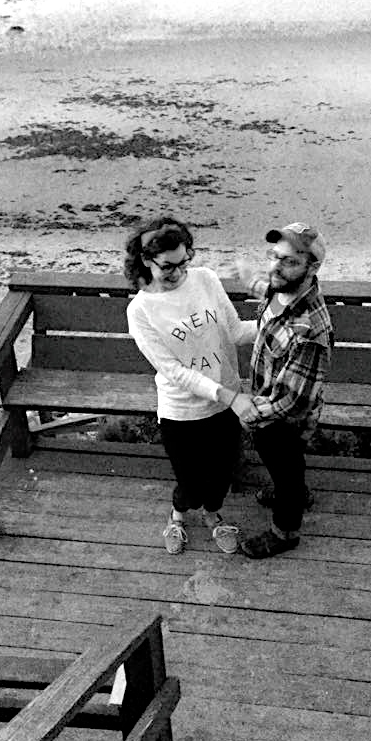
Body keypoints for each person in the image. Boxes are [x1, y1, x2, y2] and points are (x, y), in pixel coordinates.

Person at [124, 215, 256, 555]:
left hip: (225, 404)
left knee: (222, 476)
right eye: (168, 266)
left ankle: (213, 516)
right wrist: (229, 396)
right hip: (181, 412)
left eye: (184, 262)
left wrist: (280, 323)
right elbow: (174, 372)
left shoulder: (205, 279)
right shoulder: (140, 310)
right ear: (145, 260)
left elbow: (236, 331)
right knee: (190, 483)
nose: (179, 272)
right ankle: (177, 515)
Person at [234, 222, 334, 559]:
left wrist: (250, 412)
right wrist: (249, 281)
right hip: (266, 399)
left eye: (290, 261)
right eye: (274, 256)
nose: (276, 267)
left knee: (286, 468)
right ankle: (293, 492)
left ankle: (285, 532)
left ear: (312, 267)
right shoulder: (285, 290)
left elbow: (295, 399)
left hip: (283, 418)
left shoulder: (309, 330)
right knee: (283, 467)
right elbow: (270, 292)